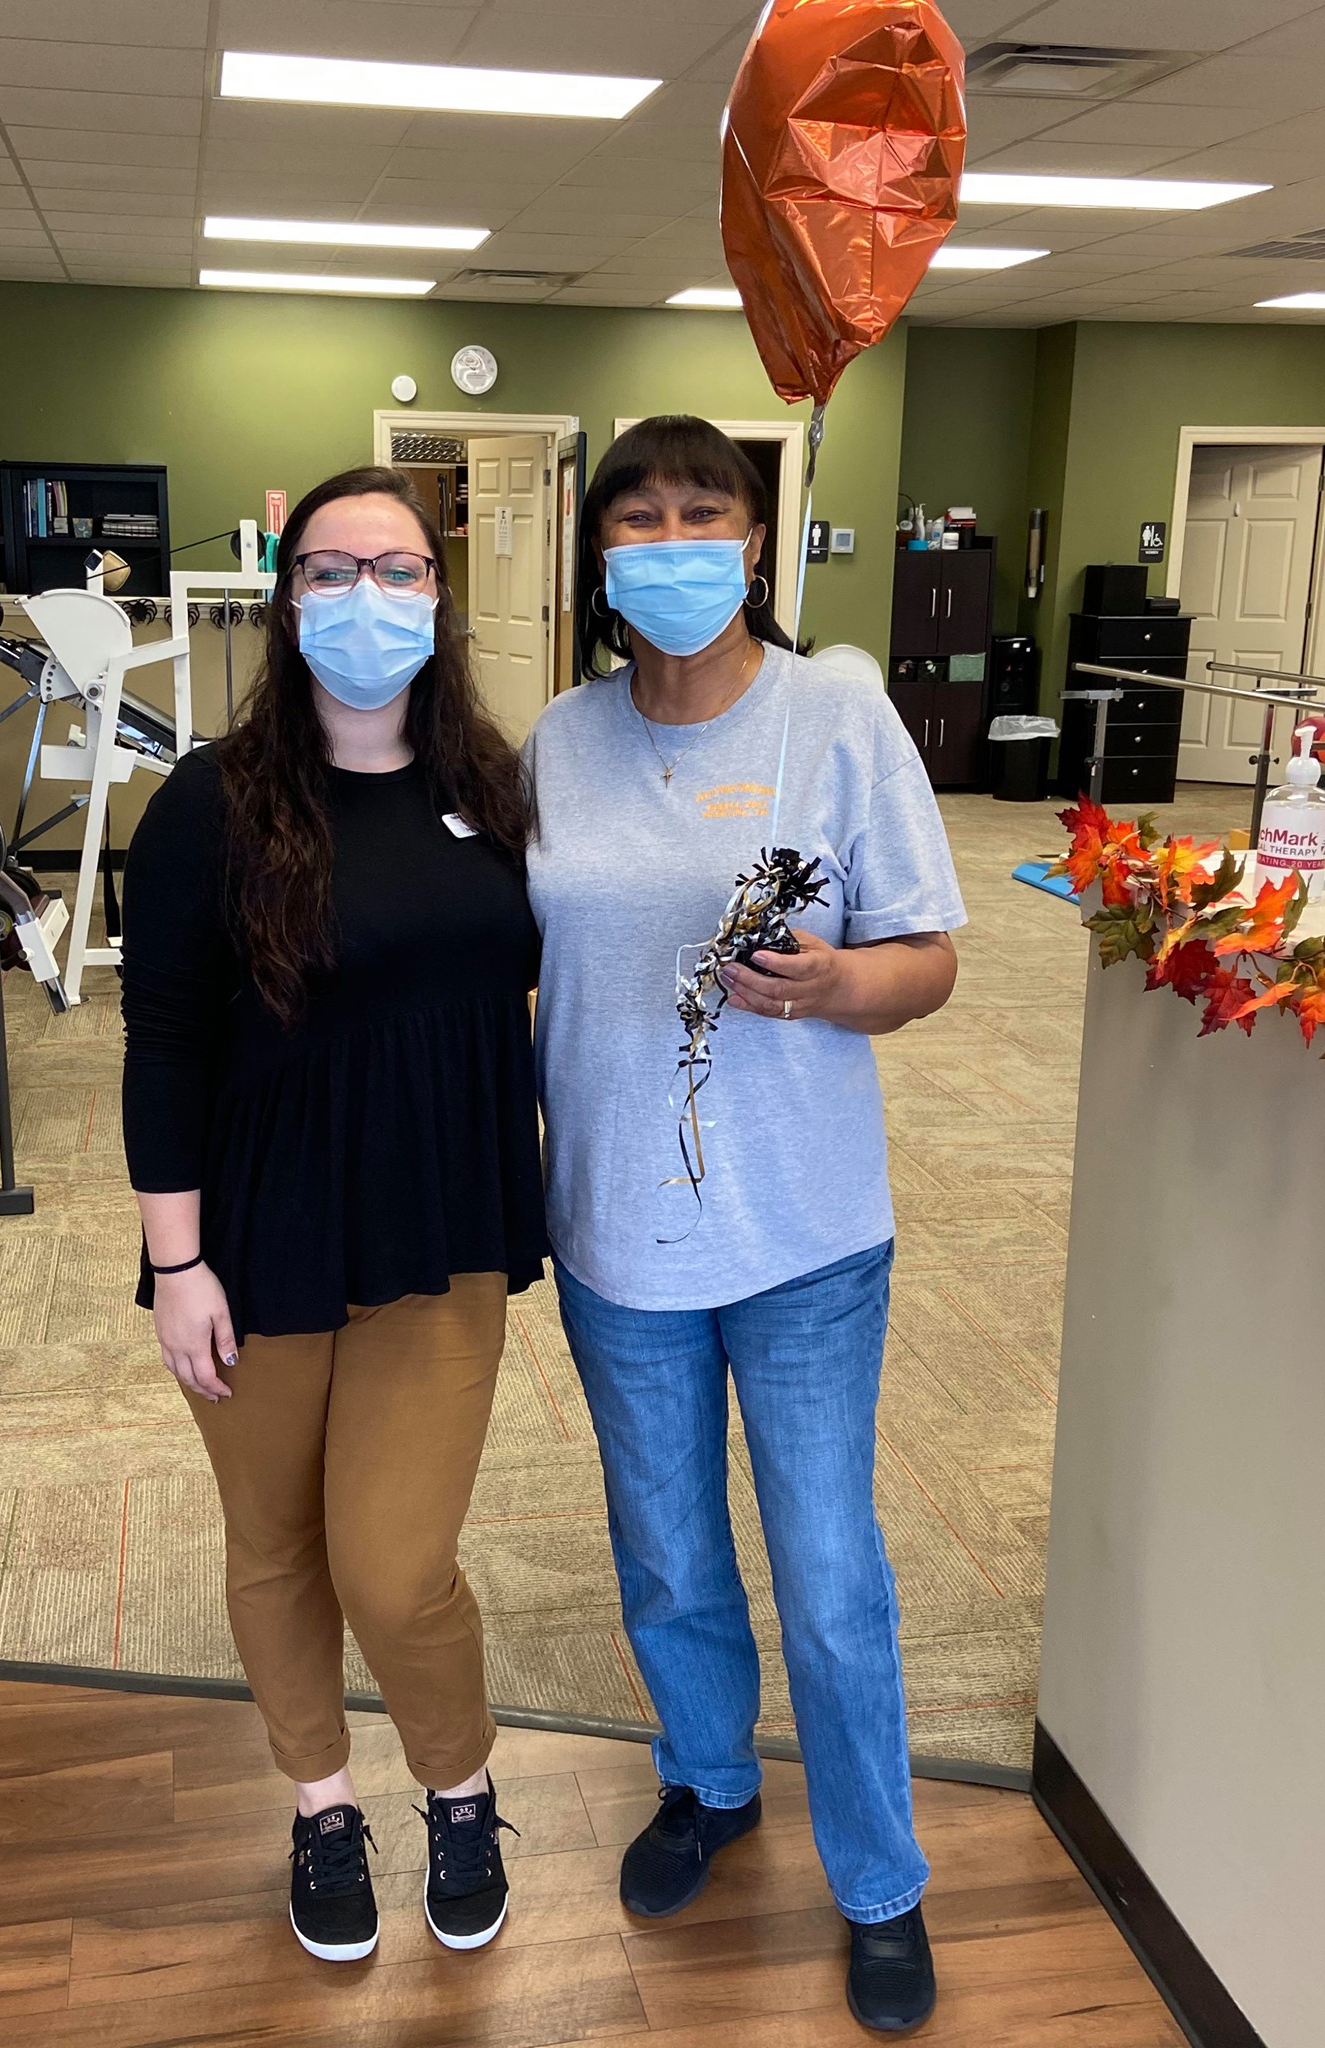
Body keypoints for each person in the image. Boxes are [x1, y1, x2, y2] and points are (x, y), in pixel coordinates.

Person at [523, 416, 964, 2036]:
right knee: (666, 1550)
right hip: (616, 1235)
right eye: (636, 519)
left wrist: (840, 982)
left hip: (806, 1240)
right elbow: (519, 964)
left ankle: (882, 1883)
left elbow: (928, 957)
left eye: (701, 513)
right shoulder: (558, 740)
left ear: (756, 543)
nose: (670, 544)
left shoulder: (835, 711)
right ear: (600, 555)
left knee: (830, 1574)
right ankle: (709, 1780)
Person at [119, 466, 546, 1963]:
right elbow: (164, 1042)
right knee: (277, 1543)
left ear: (440, 597)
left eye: (399, 569)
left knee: (394, 1564)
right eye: (331, 569)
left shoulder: (498, 789)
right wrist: (177, 1261)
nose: (368, 597)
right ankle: (320, 1806)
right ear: (287, 599)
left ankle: (461, 1789)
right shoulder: (208, 804)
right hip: (256, 1237)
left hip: (441, 1226)